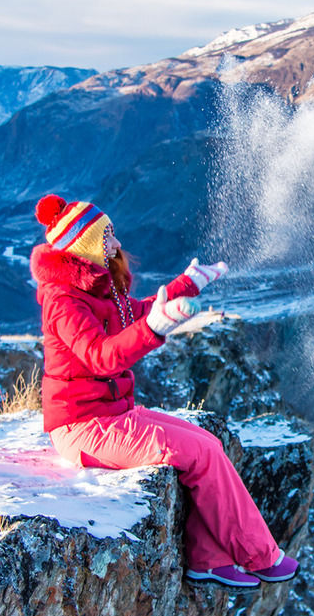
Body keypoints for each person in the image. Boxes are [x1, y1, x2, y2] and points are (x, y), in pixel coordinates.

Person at [30, 194, 298, 588]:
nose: (117, 245)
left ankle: (208, 559)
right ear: (85, 246)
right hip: (82, 427)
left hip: (111, 415)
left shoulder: (93, 290)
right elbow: (101, 357)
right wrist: (155, 329)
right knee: (202, 452)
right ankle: (259, 555)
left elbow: (134, 313)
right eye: (108, 238)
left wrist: (186, 285)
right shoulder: (62, 302)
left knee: (208, 443)